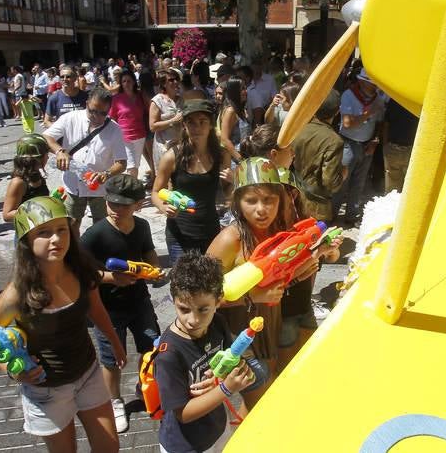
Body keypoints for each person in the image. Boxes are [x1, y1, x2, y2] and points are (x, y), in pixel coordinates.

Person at [0, 196, 123, 452]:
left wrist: (114, 342)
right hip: (46, 389)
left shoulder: (80, 270)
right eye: (44, 232)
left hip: (88, 373)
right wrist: (10, 370)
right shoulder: (17, 292)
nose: (56, 239)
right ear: (26, 240)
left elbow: (97, 310)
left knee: (109, 447)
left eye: (61, 230)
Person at [207, 158, 335, 412]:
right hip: (239, 337)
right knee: (258, 403)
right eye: (251, 201)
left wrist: (313, 258)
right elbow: (198, 298)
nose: (261, 209)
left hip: (269, 325)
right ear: (237, 202)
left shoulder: (276, 234)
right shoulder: (229, 239)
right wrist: (254, 298)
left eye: (269, 200)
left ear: (281, 200)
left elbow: (277, 278)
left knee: (269, 388)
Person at [81, 174, 162, 434]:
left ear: (138, 204)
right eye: (111, 203)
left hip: (139, 301)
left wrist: (154, 270)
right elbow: (78, 273)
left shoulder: (142, 226)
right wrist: (110, 277)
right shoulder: (94, 235)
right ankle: (115, 402)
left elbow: (149, 252)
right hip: (107, 309)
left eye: (123, 205)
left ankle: (144, 387)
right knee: (112, 360)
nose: (116, 210)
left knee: (151, 348)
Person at [155, 253, 259, 453]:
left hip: (218, 428)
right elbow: (182, 414)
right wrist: (227, 389)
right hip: (185, 445)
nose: (193, 320)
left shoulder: (218, 323)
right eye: (184, 309)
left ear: (218, 301)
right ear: (173, 300)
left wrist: (239, 370)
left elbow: (232, 359)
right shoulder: (169, 354)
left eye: (203, 309)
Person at [152, 99, 231, 265]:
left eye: (202, 122)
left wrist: (232, 181)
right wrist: (163, 207)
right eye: (191, 123)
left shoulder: (222, 156)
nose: (197, 128)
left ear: (211, 124)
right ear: (184, 126)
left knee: (208, 286)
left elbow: (228, 194)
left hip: (210, 231)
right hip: (179, 234)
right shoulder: (172, 156)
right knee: (184, 288)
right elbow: (155, 191)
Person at [43, 89, 127, 226]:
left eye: (102, 113)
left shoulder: (115, 129)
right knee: (72, 224)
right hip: (73, 184)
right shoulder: (70, 118)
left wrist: (106, 174)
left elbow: (122, 163)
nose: (96, 116)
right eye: (92, 110)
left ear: (109, 110)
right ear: (87, 103)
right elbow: (46, 137)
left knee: (102, 225)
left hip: (100, 189)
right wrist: (59, 151)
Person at [331, 68, 385, 226]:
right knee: (342, 182)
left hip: (367, 144)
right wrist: (368, 114)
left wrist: (375, 141)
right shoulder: (349, 96)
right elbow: (347, 124)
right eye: (371, 84)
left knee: (359, 182)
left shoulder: (377, 99)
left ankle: (351, 215)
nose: (374, 87)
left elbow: (380, 123)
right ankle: (333, 213)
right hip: (348, 143)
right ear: (362, 82)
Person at [288, 89, 345, 223]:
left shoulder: (297, 127)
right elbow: (330, 181)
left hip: (293, 196)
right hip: (316, 206)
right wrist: (343, 173)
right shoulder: (334, 141)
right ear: (337, 111)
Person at [2, 134, 51, 222]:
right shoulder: (18, 182)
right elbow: (7, 215)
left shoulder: (36, 174)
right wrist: (38, 210)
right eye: (46, 154)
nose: (48, 157)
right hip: (27, 233)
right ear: (38, 158)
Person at [109, 70, 148, 179]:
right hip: (124, 137)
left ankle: (132, 187)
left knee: (136, 164)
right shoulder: (116, 99)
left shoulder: (140, 96)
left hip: (140, 135)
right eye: (124, 81)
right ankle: (131, 189)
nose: (126, 83)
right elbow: (111, 118)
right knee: (131, 166)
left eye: (129, 81)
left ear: (134, 82)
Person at [149, 67, 183, 170]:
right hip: (164, 147)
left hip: (180, 146)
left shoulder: (181, 100)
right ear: (164, 84)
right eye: (171, 80)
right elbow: (152, 126)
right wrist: (172, 121)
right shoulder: (157, 101)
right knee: (166, 180)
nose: (175, 82)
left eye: (177, 79)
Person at [383, 98, 419, 192]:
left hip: (400, 148)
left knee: (393, 185)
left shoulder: (395, 100)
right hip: (408, 149)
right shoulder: (417, 101)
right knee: (409, 184)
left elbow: (386, 123)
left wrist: (385, 145)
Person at [218, 78, 250, 165]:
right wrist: (241, 160)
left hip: (245, 156)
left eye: (245, 88)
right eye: (242, 88)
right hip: (235, 161)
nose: (245, 91)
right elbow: (224, 139)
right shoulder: (230, 111)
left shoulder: (241, 110)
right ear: (234, 91)